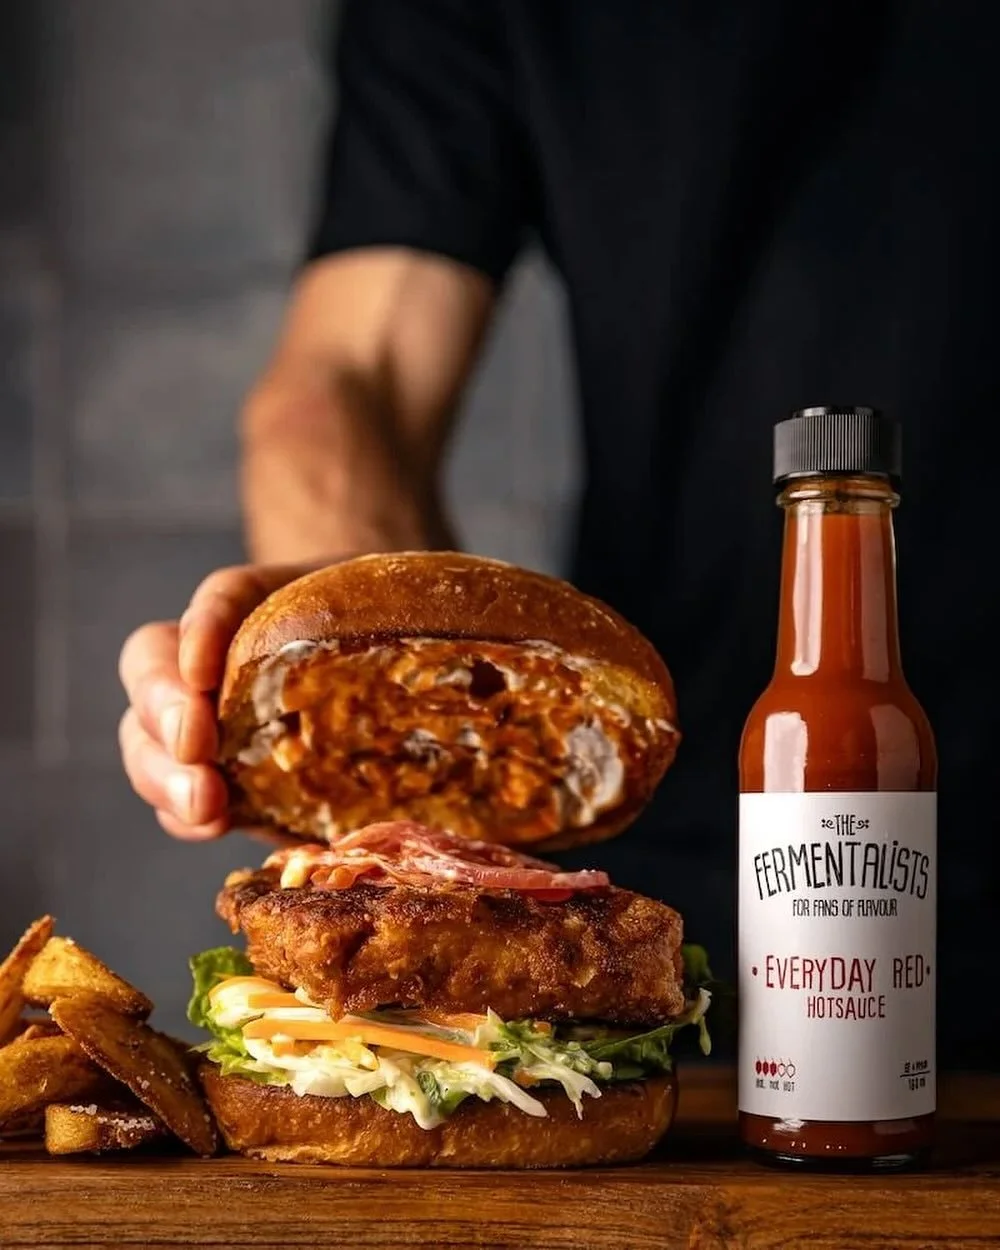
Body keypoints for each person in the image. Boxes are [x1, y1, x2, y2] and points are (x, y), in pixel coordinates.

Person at [117, 2, 999, 1066]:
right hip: (678, 887)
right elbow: (348, 390)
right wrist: (377, 679)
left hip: (721, 840)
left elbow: (361, 376)